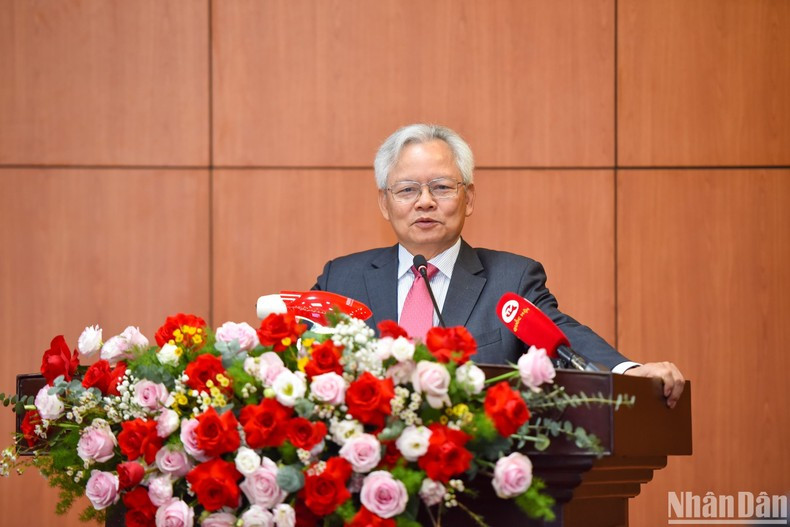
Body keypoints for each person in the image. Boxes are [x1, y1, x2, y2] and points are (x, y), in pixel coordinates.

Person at [313, 124, 685, 408]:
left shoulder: (511, 279)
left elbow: (559, 338)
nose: (425, 202)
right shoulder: (342, 279)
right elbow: (295, 353)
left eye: (441, 187)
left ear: (468, 197)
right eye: (408, 189)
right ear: (385, 203)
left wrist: (629, 372)